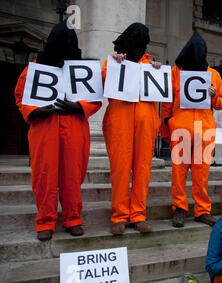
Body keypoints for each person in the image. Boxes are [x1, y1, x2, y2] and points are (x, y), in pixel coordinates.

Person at [14, 21, 102, 241]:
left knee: (73, 175)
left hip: (74, 126)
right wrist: (34, 111)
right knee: (44, 175)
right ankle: (45, 220)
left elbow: (96, 98)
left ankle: (73, 219)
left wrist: (79, 107)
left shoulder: (83, 70)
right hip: (44, 128)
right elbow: (20, 97)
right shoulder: (33, 69)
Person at [160, 31, 222, 228]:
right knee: (178, 172)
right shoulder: (175, 72)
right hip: (180, 128)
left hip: (204, 131)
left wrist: (214, 97)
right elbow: (166, 103)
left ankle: (202, 210)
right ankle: (179, 208)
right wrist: (165, 130)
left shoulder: (214, 75)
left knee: (201, 173)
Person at [102, 23, 160, 235]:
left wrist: (157, 69)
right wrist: (115, 63)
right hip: (120, 122)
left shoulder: (151, 64)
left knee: (143, 169)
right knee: (120, 169)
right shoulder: (113, 62)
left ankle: (138, 214)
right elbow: (100, 85)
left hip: (145, 123)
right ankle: (119, 215)